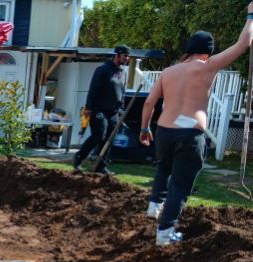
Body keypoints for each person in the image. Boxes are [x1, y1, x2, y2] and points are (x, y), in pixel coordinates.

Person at [140, 4, 253, 246]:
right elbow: (244, 43)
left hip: (164, 131)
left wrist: (144, 128)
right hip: (189, 135)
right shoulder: (208, 66)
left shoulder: (168, 71)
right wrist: (251, 16)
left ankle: (154, 205)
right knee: (180, 185)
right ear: (207, 52)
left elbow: (149, 102)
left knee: (163, 166)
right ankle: (165, 231)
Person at [72, 45, 131, 174]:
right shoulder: (103, 70)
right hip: (99, 110)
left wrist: (121, 110)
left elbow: (123, 93)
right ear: (117, 55)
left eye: (128, 56)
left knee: (108, 139)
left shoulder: (123, 73)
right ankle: (79, 156)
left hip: (114, 112)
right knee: (99, 135)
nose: (127, 58)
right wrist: (88, 107)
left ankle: (101, 165)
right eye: (125, 55)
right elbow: (93, 89)